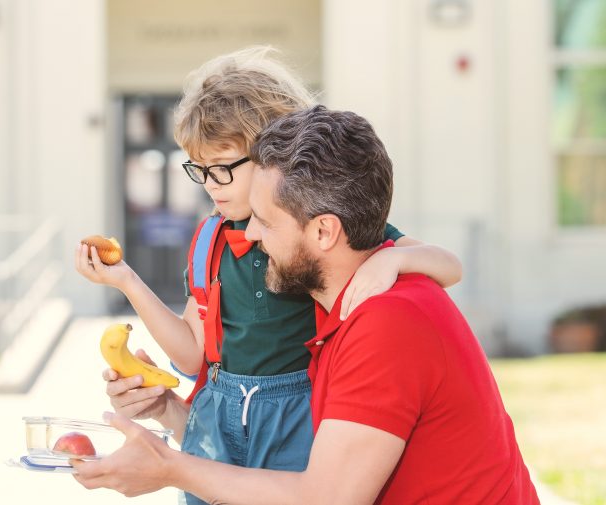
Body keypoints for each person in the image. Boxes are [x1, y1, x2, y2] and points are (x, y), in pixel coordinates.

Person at [71, 106, 540, 504]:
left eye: (265, 222)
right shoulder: (344, 315)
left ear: (323, 232)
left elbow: (326, 496)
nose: (250, 236)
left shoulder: (388, 322)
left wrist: (170, 468)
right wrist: (168, 409)